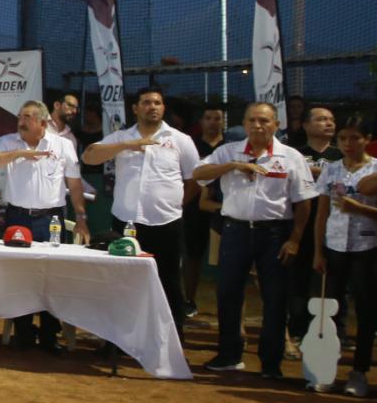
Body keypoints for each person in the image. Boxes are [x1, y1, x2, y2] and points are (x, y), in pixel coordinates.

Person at [192, 101, 319, 377]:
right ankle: (229, 355)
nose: (257, 126)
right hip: (234, 231)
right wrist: (232, 165)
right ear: (244, 123)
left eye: (264, 121)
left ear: (276, 124)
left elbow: (304, 202)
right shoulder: (227, 151)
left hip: (275, 234)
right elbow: (198, 174)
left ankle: (270, 364)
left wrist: (295, 239)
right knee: (227, 293)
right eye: (251, 120)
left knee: (275, 298)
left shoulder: (290, 156)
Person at [82, 87, 200, 331]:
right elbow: (89, 157)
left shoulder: (180, 140)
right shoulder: (122, 137)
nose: (153, 107)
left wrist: (174, 205)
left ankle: (172, 339)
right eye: (146, 102)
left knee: (169, 282)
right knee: (122, 282)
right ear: (135, 108)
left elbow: (195, 179)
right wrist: (127, 145)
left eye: (157, 102)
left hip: (166, 223)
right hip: (126, 223)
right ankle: (119, 340)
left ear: (163, 108)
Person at [0, 101, 91, 351]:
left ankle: (50, 334)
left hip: (50, 219)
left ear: (43, 122)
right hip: (18, 217)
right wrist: (19, 154)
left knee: (50, 277)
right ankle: (23, 332)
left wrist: (81, 218)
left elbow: (74, 185)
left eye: (28, 117)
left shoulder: (62, 145)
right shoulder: (9, 141)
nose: (22, 121)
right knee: (19, 276)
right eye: (20, 116)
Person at [311, 117, 377, 396]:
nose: (348, 144)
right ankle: (327, 369)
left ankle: (359, 373)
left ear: (368, 139)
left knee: (365, 312)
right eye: (343, 139)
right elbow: (321, 214)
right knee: (331, 310)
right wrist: (318, 251)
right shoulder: (331, 170)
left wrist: (360, 209)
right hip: (335, 247)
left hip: (367, 249)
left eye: (355, 138)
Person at [286, 105, 343, 356]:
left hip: (336, 227)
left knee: (335, 281)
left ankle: (335, 330)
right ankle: (297, 330)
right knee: (298, 279)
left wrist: (320, 174)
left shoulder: (341, 155)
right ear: (306, 126)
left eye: (331, 119)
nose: (328, 123)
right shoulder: (296, 155)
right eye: (320, 119)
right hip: (302, 225)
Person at [182, 103, 227, 316]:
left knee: (227, 260)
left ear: (223, 121)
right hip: (194, 209)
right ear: (201, 122)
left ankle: (226, 303)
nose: (212, 122)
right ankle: (189, 301)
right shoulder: (192, 146)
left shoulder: (230, 148)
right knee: (193, 256)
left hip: (224, 209)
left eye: (217, 118)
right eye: (208, 118)